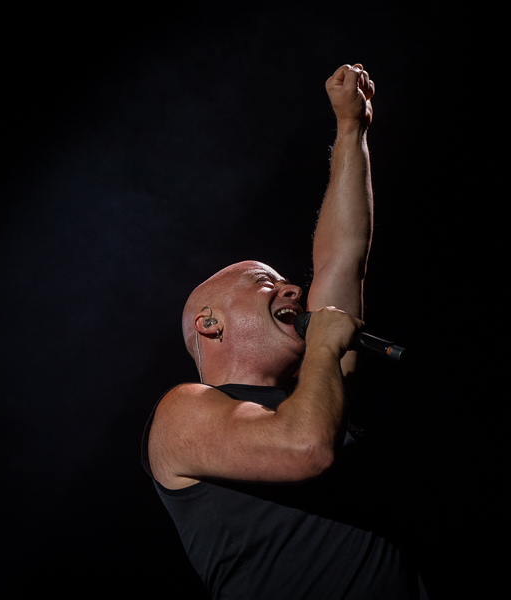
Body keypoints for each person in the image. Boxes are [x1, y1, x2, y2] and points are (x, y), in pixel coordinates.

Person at [141, 64, 426, 599]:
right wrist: (324, 346)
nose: (293, 289)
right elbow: (303, 447)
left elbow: (343, 256)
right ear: (210, 322)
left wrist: (351, 129)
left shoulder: (318, 390)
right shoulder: (181, 411)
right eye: (265, 284)